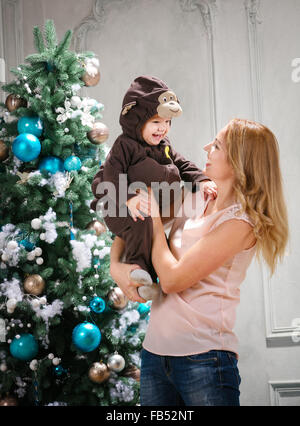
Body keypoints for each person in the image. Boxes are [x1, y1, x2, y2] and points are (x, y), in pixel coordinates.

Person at [109, 118, 289, 406]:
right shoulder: (193, 198)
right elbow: (131, 224)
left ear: (239, 161)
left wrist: (154, 214)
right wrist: (115, 265)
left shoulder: (241, 224)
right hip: (154, 355)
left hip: (205, 361)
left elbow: (172, 279)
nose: (206, 147)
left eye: (216, 145)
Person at [90, 75, 216, 300]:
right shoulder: (124, 146)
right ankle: (139, 266)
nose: (163, 129)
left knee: (150, 229)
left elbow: (183, 163)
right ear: (137, 121)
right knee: (143, 220)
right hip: (119, 205)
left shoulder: (164, 146)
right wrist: (129, 197)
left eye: (167, 123)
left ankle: (146, 279)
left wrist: (202, 180)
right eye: (156, 122)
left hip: (151, 205)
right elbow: (110, 175)